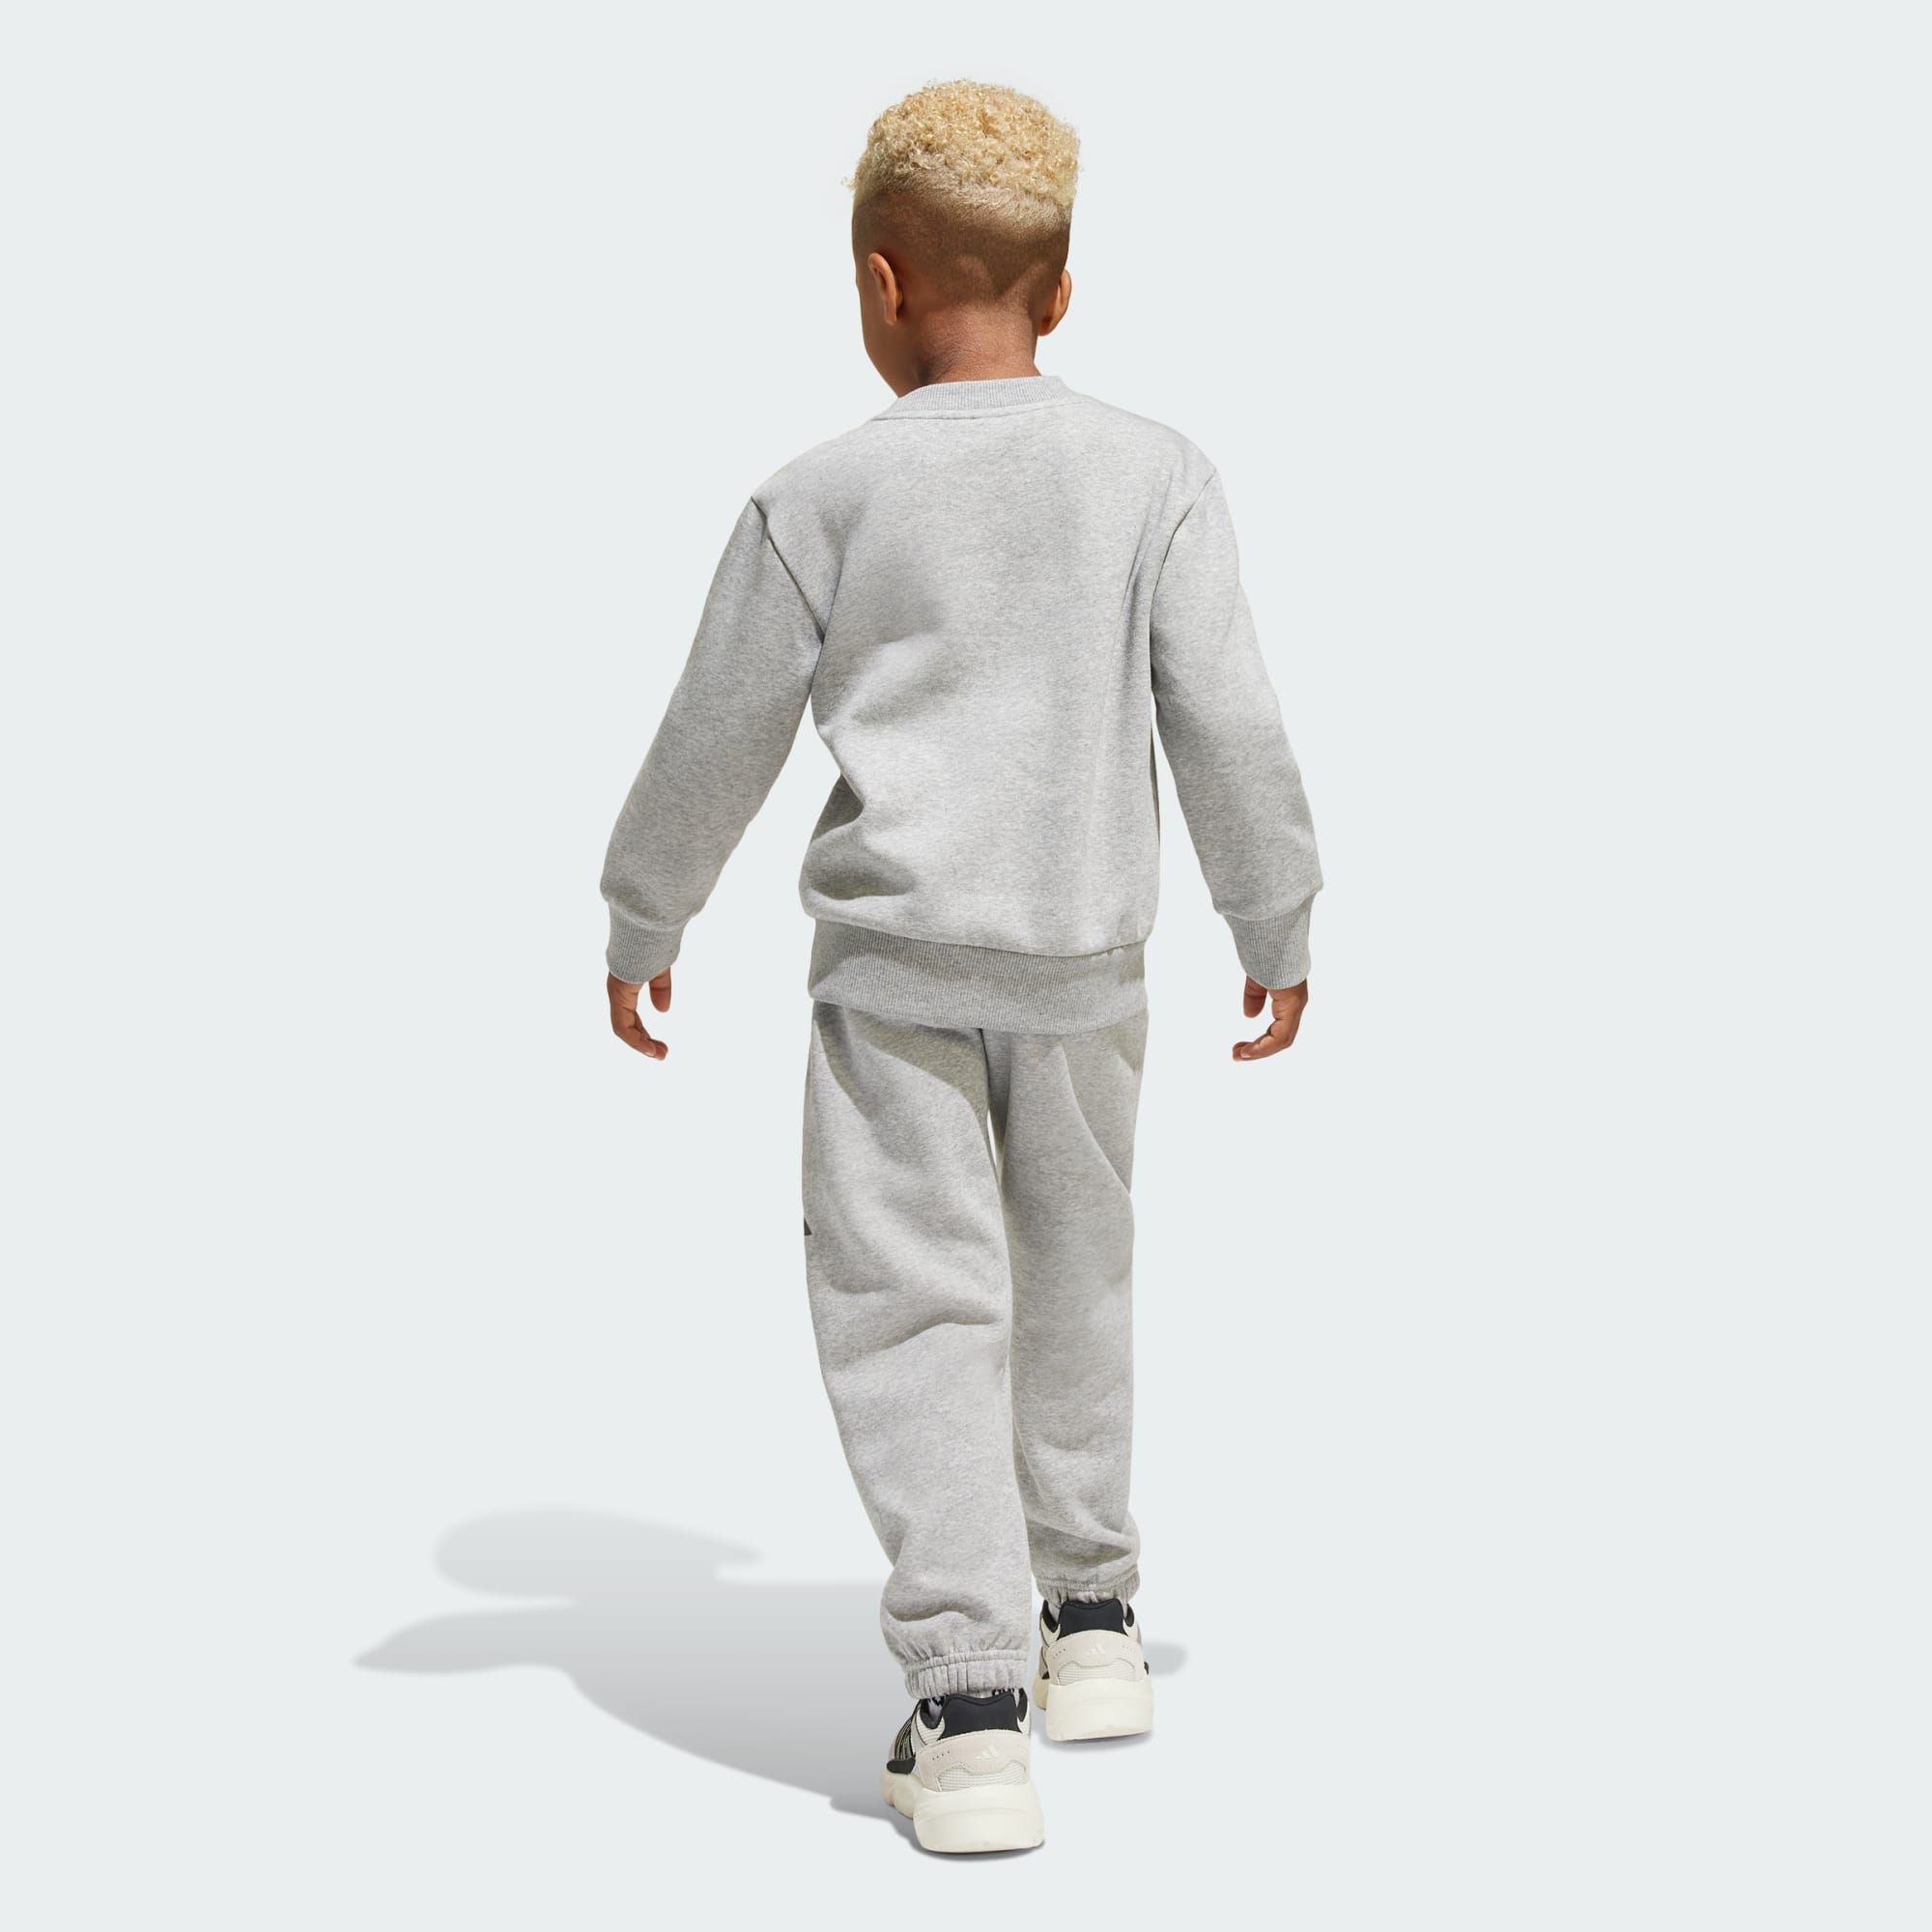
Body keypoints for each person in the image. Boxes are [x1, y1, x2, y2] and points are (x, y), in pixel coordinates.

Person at [599, 78, 1321, 1854]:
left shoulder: (820, 496)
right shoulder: (1156, 475)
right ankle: (1094, 1617)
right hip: (1087, 968)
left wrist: (646, 912)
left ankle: (971, 1703)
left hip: (896, 983)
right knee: (1078, 1279)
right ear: (1061, 292)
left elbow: (716, 732)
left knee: (915, 1310)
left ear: (878, 281)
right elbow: (1226, 718)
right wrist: (1274, 915)